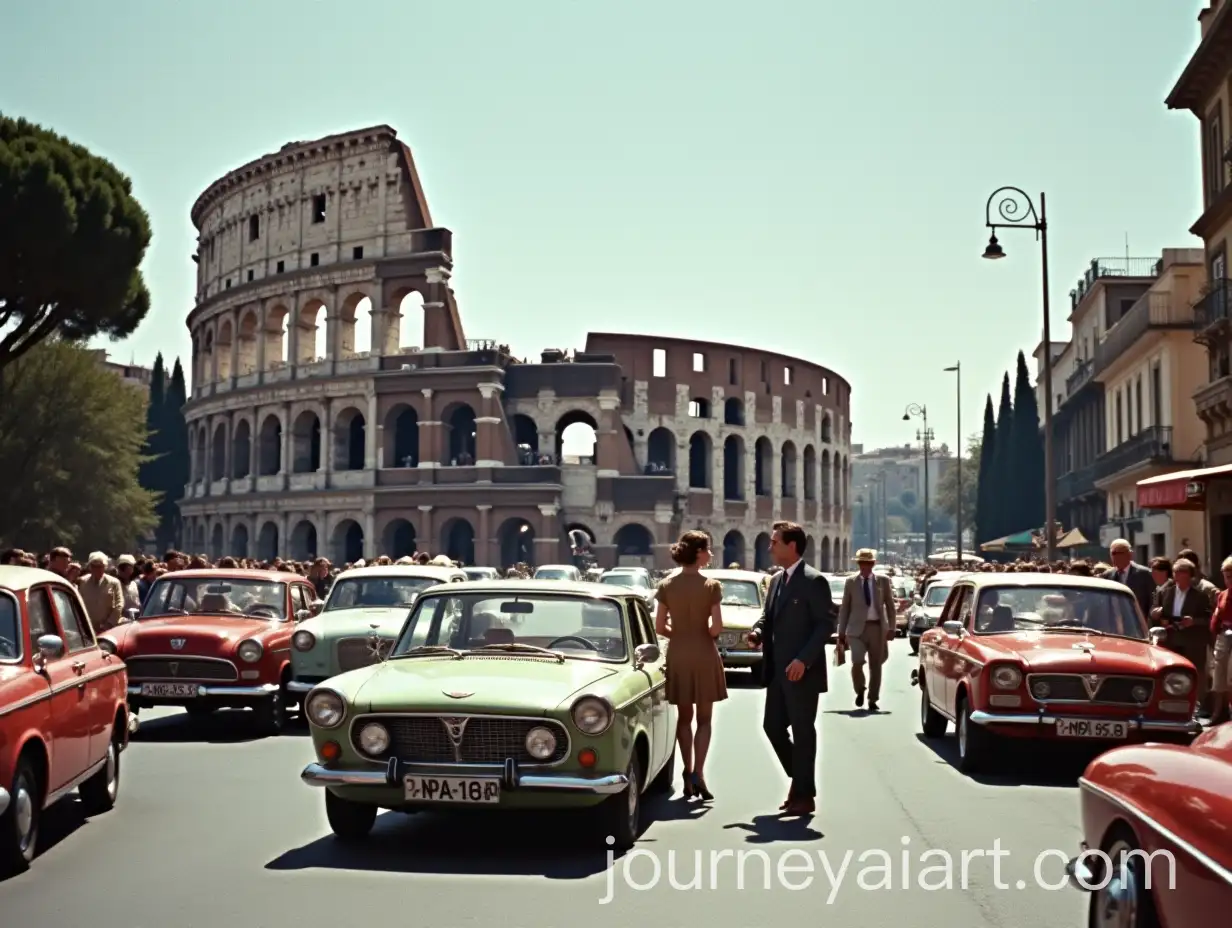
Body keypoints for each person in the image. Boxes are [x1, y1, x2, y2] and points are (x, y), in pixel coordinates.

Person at [746, 521, 835, 816]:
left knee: (802, 731)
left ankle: (804, 795)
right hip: (776, 671)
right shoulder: (775, 581)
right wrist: (757, 632)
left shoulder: (813, 581)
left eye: (774, 542)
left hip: (802, 672)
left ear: (792, 546)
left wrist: (803, 659)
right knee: (772, 727)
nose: (770, 547)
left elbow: (825, 625)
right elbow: (767, 616)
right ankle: (800, 782)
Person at [654, 531, 727, 800]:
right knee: (704, 719)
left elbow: (659, 626)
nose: (711, 554)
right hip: (704, 654)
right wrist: (700, 632)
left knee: (684, 719)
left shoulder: (666, 585)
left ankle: (686, 772)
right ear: (698, 553)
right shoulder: (712, 586)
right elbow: (716, 627)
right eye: (708, 549)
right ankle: (699, 773)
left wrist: (681, 634)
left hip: (679, 654)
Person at [1151, 557, 1212, 720]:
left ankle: (1196, 706)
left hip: (1192, 641)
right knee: (1172, 673)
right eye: (1177, 572)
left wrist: (1194, 621)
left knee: (1194, 673)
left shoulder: (1200, 596)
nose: (1178, 576)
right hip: (1172, 640)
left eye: (1182, 572)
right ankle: (1170, 705)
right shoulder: (1165, 592)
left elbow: (1208, 618)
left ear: (1190, 575)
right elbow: (1154, 613)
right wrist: (1156, 613)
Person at [836, 548, 896, 711]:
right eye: (862, 563)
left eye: (868, 564)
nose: (865, 567)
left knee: (876, 665)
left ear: (873, 564)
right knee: (857, 662)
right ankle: (860, 690)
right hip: (856, 630)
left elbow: (890, 606)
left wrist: (892, 627)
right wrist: (841, 632)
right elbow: (845, 608)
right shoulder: (851, 582)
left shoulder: (882, 581)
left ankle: (872, 699)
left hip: (877, 628)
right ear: (859, 564)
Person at [1101, 539, 1155, 618]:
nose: (1115, 556)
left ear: (1129, 554)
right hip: (1114, 623)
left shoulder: (1144, 574)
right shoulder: (1107, 575)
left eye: (1119, 553)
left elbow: (1152, 602)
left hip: (1136, 622)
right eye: (1113, 553)